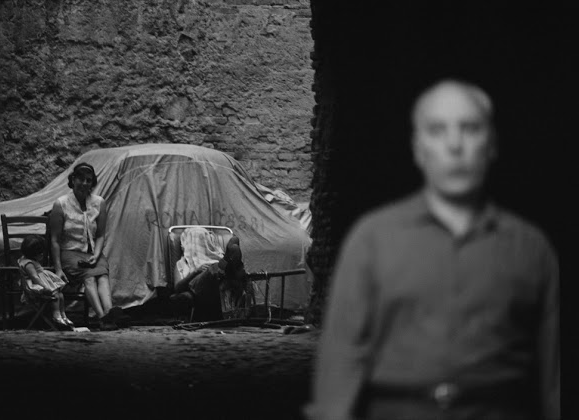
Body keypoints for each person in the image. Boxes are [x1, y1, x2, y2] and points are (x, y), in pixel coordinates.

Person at [304, 79, 559, 420]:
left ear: (492, 144)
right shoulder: (372, 241)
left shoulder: (531, 250)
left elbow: (554, 377)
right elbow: (341, 363)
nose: (455, 145)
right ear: (418, 148)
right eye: (437, 131)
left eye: (470, 129)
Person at [50, 162, 125, 331]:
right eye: (81, 179)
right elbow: (54, 240)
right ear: (73, 180)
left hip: (92, 253)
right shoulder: (61, 204)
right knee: (89, 277)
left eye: (89, 180)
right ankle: (102, 317)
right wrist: (58, 269)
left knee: (102, 275)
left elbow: (100, 235)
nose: (84, 183)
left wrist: (96, 255)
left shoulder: (99, 203)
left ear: (92, 183)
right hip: (69, 253)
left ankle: (109, 313)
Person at [171, 227, 251, 321]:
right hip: (198, 287)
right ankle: (229, 262)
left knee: (221, 269)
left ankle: (229, 264)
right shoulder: (182, 263)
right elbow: (177, 287)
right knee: (213, 269)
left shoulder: (214, 257)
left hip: (220, 280)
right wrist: (196, 271)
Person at [18, 235, 73, 330]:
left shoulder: (31, 260)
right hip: (36, 285)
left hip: (42, 281)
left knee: (60, 294)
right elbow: (35, 277)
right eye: (40, 253)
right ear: (34, 253)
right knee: (55, 294)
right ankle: (56, 315)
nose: (43, 255)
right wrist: (45, 286)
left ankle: (63, 315)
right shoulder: (28, 263)